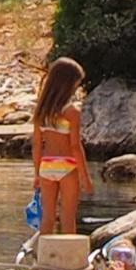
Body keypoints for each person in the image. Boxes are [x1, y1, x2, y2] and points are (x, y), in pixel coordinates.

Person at [30, 55, 90, 242]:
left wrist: (37, 174)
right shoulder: (72, 111)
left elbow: (37, 145)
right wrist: (84, 176)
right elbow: (75, 146)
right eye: (76, 84)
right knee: (67, 217)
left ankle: (45, 258)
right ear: (69, 84)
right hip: (67, 166)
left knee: (47, 218)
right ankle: (69, 259)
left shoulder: (41, 111)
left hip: (47, 166)